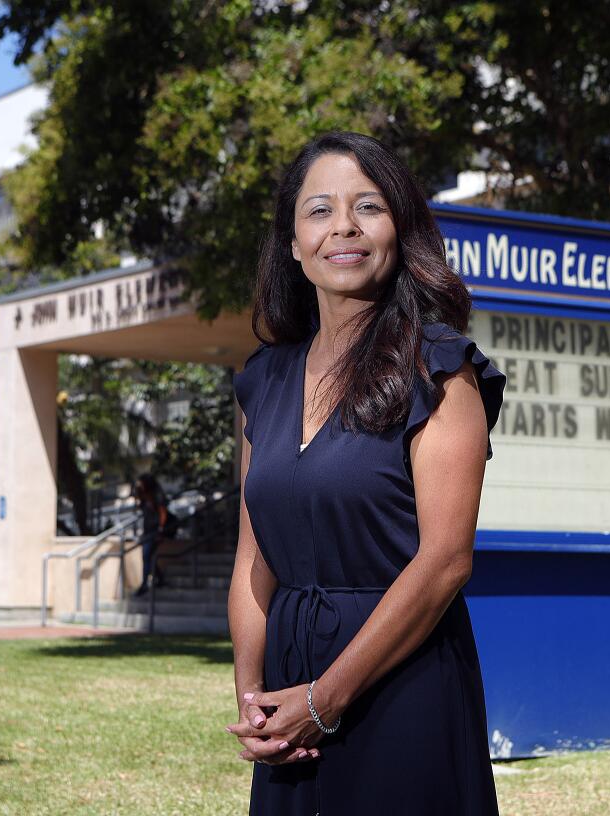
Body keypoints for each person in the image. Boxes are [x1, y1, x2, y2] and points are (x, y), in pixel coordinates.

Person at [225, 132, 505, 814]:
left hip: (402, 683)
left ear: (398, 230)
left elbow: (445, 562)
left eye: (368, 207)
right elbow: (251, 565)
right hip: (290, 696)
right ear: (292, 244)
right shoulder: (263, 379)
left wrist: (326, 701)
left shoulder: (440, 369)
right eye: (319, 210)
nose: (344, 225)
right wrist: (255, 703)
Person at [133, 473, 168, 596]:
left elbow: (163, 512)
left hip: (155, 531)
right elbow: (139, 507)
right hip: (147, 530)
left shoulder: (157, 495)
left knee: (146, 555)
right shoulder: (143, 495)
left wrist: (161, 528)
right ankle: (161, 579)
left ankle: (144, 584)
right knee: (150, 556)